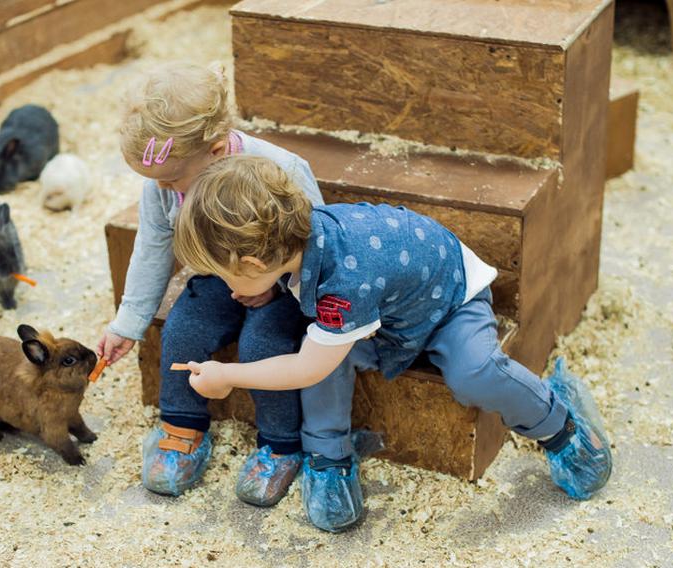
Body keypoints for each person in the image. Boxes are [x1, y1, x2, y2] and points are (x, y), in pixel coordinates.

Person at [173, 155, 613, 532]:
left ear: (253, 262)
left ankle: (560, 425)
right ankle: (328, 457)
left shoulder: (344, 279)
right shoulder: (304, 236)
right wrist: (267, 287)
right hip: (388, 316)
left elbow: (308, 368)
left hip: (449, 302)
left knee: (472, 373)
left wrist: (227, 375)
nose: (226, 287)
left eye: (225, 274)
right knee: (326, 347)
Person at [97, 62, 324, 507]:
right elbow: (152, 247)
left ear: (218, 149)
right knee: (183, 330)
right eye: (155, 181)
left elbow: (317, 241)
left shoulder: (283, 170)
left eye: (169, 179)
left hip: (280, 281)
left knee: (264, 344)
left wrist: (275, 283)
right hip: (215, 276)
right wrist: (129, 322)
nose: (161, 188)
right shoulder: (164, 184)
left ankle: (281, 446)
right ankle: (182, 427)